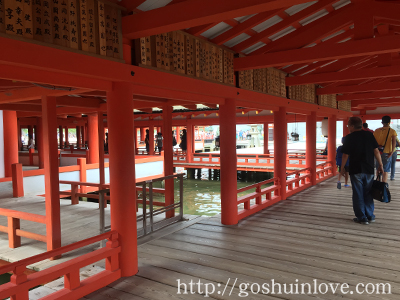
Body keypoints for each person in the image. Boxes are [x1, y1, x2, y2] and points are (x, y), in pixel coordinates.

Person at [341, 117, 384, 225]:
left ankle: (362, 217)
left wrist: (341, 168)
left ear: (351, 126)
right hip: (369, 169)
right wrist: (380, 165)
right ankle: (370, 215)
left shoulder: (349, 138)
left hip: (355, 169)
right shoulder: (369, 135)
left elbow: (345, 154)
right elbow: (376, 151)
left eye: (348, 125)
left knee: (358, 194)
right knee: (368, 192)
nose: (348, 127)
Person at [373, 115, 397, 182]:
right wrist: (392, 152)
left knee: (378, 168)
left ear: (382, 122)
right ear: (389, 122)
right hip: (387, 152)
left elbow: (373, 141)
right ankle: (383, 185)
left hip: (378, 152)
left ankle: (377, 182)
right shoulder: (392, 131)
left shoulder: (376, 131)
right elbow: (394, 143)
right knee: (385, 170)